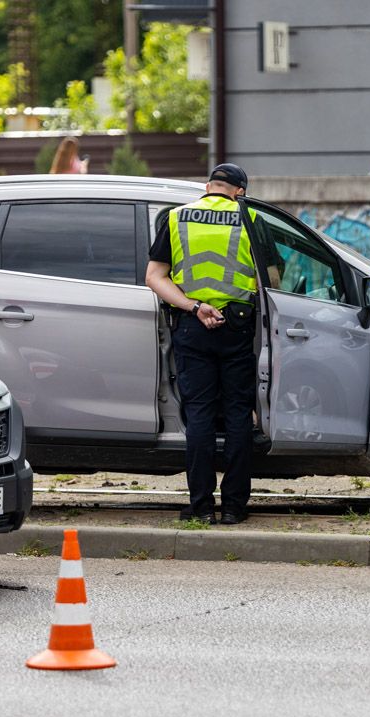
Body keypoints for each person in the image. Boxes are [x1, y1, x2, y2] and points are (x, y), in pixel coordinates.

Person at [145, 163, 258, 526]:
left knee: (200, 417)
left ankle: (202, 506)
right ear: (239, 191)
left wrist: (194, 306)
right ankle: (236, 508)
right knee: (239, 414)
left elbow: (154, 277)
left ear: (207, 187)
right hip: (237, 326)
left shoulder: (176, 218)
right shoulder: (251, 217)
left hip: (194, 324)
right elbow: (270, 277)